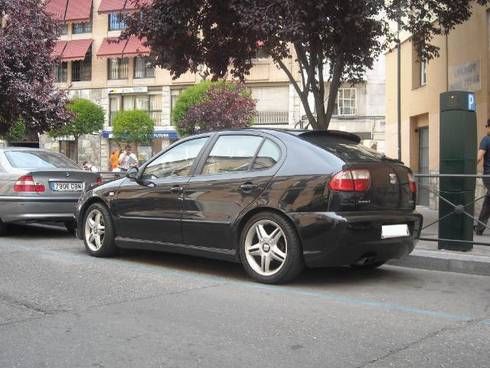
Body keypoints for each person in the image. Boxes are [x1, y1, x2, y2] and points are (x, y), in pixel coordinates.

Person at [475, 119, 490, 235]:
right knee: (488, 201)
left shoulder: (486, 139)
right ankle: (480, 227)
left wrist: (468, 169)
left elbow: (479, 157)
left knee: (488, 202)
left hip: (488, 175)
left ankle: (480, 227)